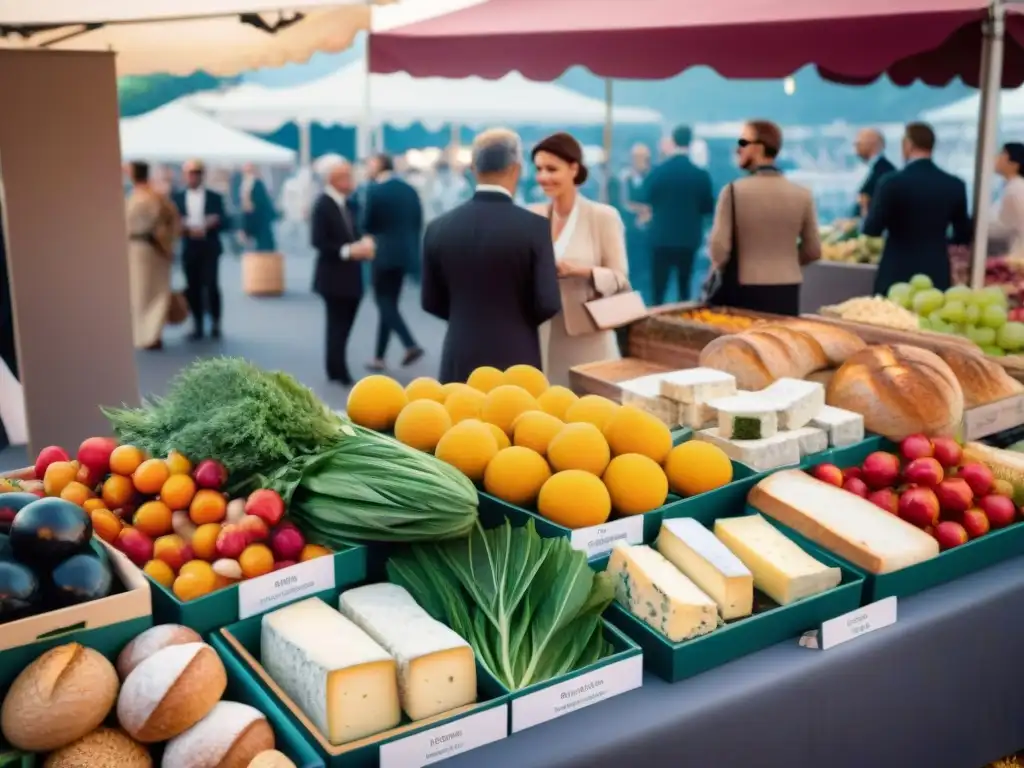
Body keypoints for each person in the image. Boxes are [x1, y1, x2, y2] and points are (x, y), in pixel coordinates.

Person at [422, 128, 561, 383]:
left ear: (474, 169)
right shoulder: (535, 228)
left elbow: (430, 301)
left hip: (460, 350)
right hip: (517, 354)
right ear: (516, 169)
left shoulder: (438, 228)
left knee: (458, 420)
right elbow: (548, 302)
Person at [529, 132, 630, 388]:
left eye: (552, 169)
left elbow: (620, 279)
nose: (543, 177)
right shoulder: (533, 216)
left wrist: (581, 271)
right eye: (539, 169)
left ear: (574, 168)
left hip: (588, 337)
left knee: (592, 411)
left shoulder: (602, 217)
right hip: (542, 335)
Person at [707, 120, 821, 316]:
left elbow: (719, 250)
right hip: (788, 288)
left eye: (743, 143)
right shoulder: (802, 194)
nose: (737, 150)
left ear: (759, 147)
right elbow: (813, 250)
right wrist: (784, 260)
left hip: (744, 287)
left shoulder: (733, 191)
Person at [863, 122, 972, 294]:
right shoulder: (955, 185)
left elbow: (872, 229)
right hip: (936, 270)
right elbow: (963, 234)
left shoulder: (891, 182)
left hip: (896, 270)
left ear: (908, 144)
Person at [311, 160, 376, 385]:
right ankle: (338, 369)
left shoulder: (348, 203)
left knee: (344, 325)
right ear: (335, 180)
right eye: (347, 177)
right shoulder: (323, 204)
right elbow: (319, 242)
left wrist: (363, 242)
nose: (352, 181)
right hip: (332, 277)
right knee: (336, 325)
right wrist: (350, 250)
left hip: (350, 277)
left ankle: (336, 367)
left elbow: (354, 231)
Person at [362, 153, 425, 371]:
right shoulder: (410, 190)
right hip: (405, 254)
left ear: (379, 165)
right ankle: (379, 357)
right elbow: (418, 222)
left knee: (383, 303)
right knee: (389, 304)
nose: (367, 168)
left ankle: (410, 344)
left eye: (369, 164)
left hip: (382, 253)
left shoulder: (375, 190)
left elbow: (367, 223)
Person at [639, 125, 715, 305]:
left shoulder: (658, 172)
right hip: (688, 240)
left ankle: (654, 325)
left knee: (658, 289)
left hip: (660, 239)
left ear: (672, 141)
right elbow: (708, 209)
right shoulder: (700, 175)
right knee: (684, 287)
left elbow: (645, 197)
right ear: (690, 142)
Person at [126, 162, 179, 351]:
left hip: (142, 249)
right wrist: (168, 244)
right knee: (148, 293)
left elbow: (169, 220)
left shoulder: (139, 197)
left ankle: (147, 335)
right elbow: (171, 220)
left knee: (145, 293)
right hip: (148, 249)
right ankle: (148, 334)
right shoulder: (156, 197)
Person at [172, 160, 226, 340]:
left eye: (197, 173)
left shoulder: (214, 197)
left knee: (211, 285)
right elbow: (173, 222)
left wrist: (213, 222)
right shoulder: (177, 197)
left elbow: (225, 220)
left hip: (209, 245)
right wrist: (185, 228)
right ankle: (197, 323)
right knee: (192, 286)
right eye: (190, 173)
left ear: (202, 175)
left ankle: (216, 323)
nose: (193, 176)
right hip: (190, 245)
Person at [612, 143, 652, 301]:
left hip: (649, 232)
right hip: (629, 230)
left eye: (644, 158)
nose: (641, 161)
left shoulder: (652, 177)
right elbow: (622, 202)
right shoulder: (624, 178)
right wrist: (641, 210)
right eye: (637, 157)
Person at [852, 128, 897, 219]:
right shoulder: (874, 169)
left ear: (872, 144)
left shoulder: (885, 172)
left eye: (859, 144)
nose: (856, 149)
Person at [989, 142, 1024, 253]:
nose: (996, 158)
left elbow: (1004, 226)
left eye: (1002, 154)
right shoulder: (1007, 187)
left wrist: (976, 226)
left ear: (1014, 164)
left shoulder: (1016, 190)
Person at [238, 162, 277, 252]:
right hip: (250, 218)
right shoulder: (245, 184)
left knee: (263, 247)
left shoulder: (257, 184)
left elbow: (261, 203)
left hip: (260, 219)